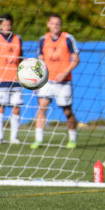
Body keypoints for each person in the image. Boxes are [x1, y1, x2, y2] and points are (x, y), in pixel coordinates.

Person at [31, 14, 80, 149]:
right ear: (48, 24)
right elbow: (39, 62)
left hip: (64, 82)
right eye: (53, 23)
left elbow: (76, 59)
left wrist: (64, 73)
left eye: (58, 23)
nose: (55, 26)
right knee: (42, 107)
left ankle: (72, 138)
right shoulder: (43, 40)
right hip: (47, 81)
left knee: (67, 112)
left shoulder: (68, 38)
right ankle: (38, 139)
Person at [0, 14, 23, 145]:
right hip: (1, 79)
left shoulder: (18, 39)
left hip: (16, 80)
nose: (7, 27)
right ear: (0, 25)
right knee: (1, 107)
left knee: (16, 107)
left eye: (9, 24)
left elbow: (21, 59)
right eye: (4, 24)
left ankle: (14, 137)